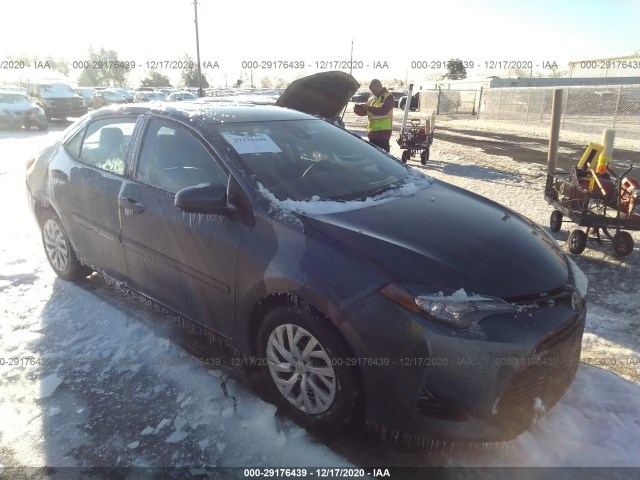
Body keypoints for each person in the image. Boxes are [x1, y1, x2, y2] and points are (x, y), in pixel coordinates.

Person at [354, 79, 394, 152]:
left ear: (379, 87)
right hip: (373, 133)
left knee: (383, 156)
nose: (373, 92)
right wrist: (358, 110)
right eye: (371, 90)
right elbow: (366, 112)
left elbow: (383, 110)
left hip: (383, 132)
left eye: (373, 89)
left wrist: (368, 107)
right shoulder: (371, 99)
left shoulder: (388, 97)